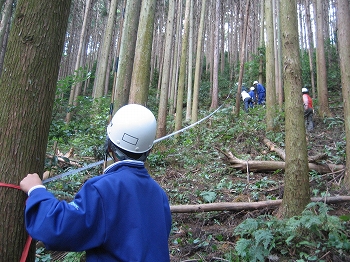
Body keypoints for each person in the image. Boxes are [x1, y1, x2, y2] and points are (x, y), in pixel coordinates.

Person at [20, 104, 172, 262]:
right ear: (149, 150)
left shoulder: (103, 189)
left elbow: (59, 228)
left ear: (110, 145)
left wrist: (36, 190)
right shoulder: (159, 194)